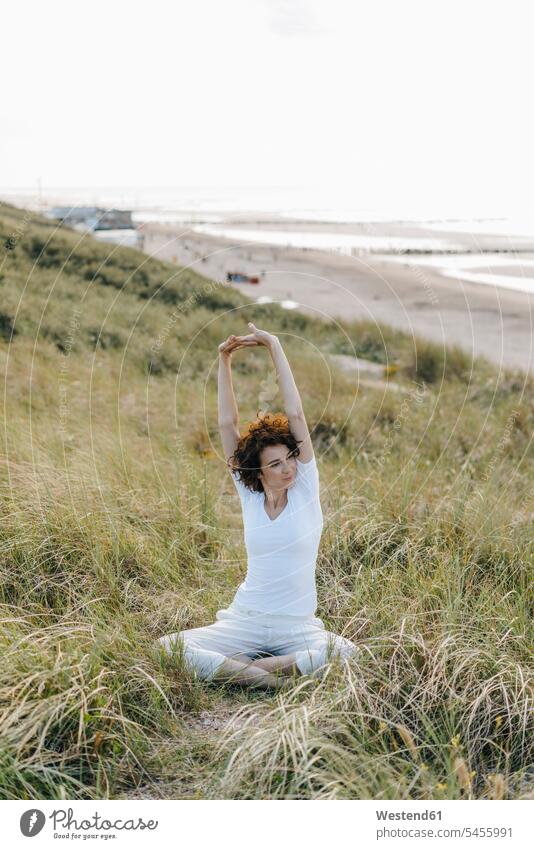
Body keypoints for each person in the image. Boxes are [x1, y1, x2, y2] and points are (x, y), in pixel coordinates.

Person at [158, 322, 359, 689]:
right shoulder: (250, 495)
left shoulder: (304, 489)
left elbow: (296, 415)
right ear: (258, 472)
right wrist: (224, 360)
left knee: (346, 652)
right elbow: (227, 422)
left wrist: (274, 345)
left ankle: (244, 672)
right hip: (245, 619)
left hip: (295, 625)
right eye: (275, 464)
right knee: (167, 648)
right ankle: (273, 679)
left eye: (289, 459)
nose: (287, 469)